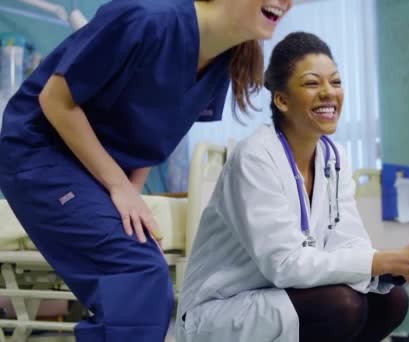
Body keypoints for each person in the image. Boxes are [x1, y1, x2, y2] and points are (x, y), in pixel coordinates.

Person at [0, 0, 292, 340]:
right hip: (39, 149)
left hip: (93, 170)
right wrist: (118, 188)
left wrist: (131, 197)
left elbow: (153, 137)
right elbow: (54, 100)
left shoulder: (224, 60)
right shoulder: (145, 18)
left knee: (147, 274)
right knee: (137, 271)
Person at [176, 32, 409, 342]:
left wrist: (401, 266)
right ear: (281, 99)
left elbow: (349, 243)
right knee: (342, 305)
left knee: (391, 301)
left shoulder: (334, 158)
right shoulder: (254, 156)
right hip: (224, 307)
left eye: (335, 82)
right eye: (312, 83)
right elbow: (284, 265)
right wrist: (387, 258)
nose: (328, 93)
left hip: (283, 297)